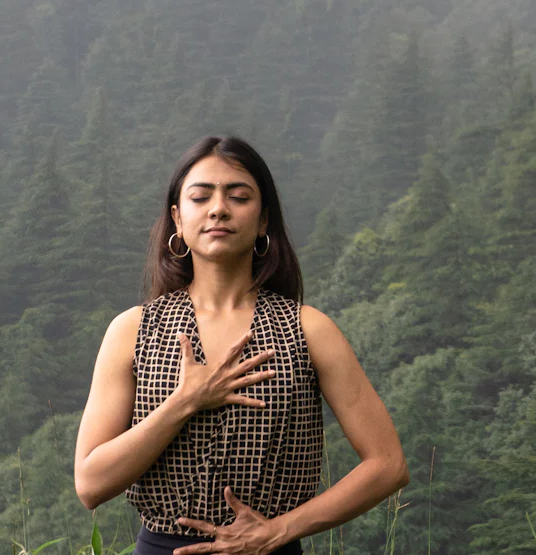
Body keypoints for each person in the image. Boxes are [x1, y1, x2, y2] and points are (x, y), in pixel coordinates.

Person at [74, 135, 409, 555]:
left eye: (238, 196)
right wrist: (185, 401)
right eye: (201, 197)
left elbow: (389, 465)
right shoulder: (133, 330)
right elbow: (90, 485)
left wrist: (279, 530)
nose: (218, 208)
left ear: (263, 219)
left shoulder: (307, 330)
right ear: (177, 219)